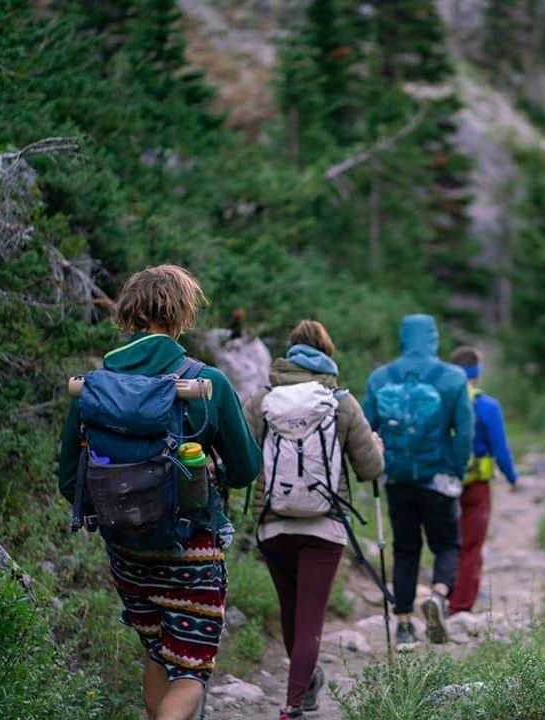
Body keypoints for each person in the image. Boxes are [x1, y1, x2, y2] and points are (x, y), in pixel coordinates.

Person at [58, 265, 261, 720]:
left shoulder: (96, 385)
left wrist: (120, 506)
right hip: (190, 550)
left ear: (130, 313)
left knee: (157, 653)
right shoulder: (208, 382)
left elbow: (68, 479)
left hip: (126, 553)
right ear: (183, 314)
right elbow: (246, 469)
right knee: (190, 669)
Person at [244, 320, 384, 720]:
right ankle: (293, 704)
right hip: (325, 526)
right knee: (310, 617)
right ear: (328, 356)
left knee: (291, 611)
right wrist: (376, 446)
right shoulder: (341, 402)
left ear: (288, 355)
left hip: (273, 523)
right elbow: (370, 470)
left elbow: (241, 459)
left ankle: (304, 685)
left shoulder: (260, 400)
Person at [362, 314, 473, 649]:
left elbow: (368, 429)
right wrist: (455, 467)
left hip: (397, 479)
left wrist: (377, 468)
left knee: (406, 550)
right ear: (433, 338)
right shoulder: (453, 378)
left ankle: (405, 626)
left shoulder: (381, 378)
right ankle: (439, 595)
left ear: (403, 337)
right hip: (438, 477)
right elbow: (464, 431)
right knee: (447, 544)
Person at [447, 346, 518, 615]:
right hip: (476, 485)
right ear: (477, 371)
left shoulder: (442, 401)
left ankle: (442, 592)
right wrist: (512, 477)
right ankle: (460, 606)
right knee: (471, 545)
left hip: (443, 483)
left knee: (447, 542)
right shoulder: (487, 406)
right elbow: (500, 450)